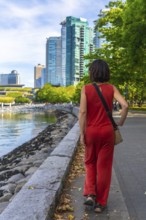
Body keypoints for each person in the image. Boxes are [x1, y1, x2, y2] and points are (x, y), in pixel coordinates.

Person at [78, 59, 128, 213]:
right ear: (106, 72)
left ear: (92, 72)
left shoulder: (86, 89)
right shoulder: (111, 88)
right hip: (107, 132)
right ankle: (101, 203)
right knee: (104, 167)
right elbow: (125, 105)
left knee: (90, 162)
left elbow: (83, 113)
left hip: (91, 132)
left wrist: (81, 134)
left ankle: (90, 194)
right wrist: (120, 121)